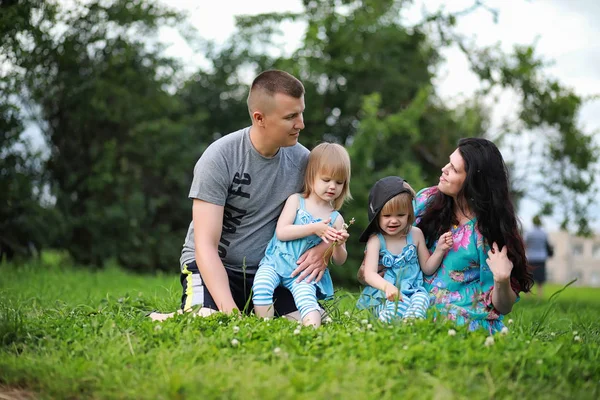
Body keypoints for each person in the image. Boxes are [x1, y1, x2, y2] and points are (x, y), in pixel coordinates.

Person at [149, 70, 330, 321]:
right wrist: (229, 311)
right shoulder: (220, 158)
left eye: (301, 113)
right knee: (210, 319)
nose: (301, 124)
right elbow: (205, 246)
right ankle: (161, 318)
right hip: (214, 267)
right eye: (290, 117)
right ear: (260, 118)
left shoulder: (304, 161)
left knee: (317, 321)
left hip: (270, 271)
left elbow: (328, 215)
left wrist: (325, 248)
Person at [358, 138, 533, 333]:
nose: (444, 169)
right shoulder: (426, 201)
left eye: (454, 169)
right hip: (409, 304)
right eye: (449, 162)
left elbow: (503, 307)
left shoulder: (487, 231)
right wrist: (370, 270)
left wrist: (502, 280)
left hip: (458, 317)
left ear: (473, 181)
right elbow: (384, 243)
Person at [252, 143, 352, 327]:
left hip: (303, 274)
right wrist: (313, 228)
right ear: (311, 176)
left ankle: (313, 331)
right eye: (326, 179)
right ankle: (263, 326)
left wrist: (337, 245)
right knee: (261, 287)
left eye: (339, 182)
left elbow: (340, 260)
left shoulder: (335, 219)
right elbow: (282, 232)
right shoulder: (296, 201)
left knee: (308, 303)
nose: (332, 187)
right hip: (275, 262)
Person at [356, 176, 453, 322]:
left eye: (400, 215)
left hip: (413, 290)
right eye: (387, 215)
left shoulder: (415, 234)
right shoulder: (376, 240)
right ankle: (385, 327)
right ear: (377, 217)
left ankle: (411, 326)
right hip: (384, 295)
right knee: (397, 307)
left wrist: (440, 250)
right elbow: (369, 274)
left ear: (409, 214)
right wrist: (387, 287)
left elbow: (427, 268)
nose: (394, 220)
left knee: (421, 300)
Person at [525, 215, 551, 297]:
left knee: (529, 279)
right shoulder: (544, 233)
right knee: (540, 279)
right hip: (541, 257)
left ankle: (528, 296)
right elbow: (547, 244)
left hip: (530, 257)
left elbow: (524, 243)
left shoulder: (528, 233)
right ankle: (540, 295)